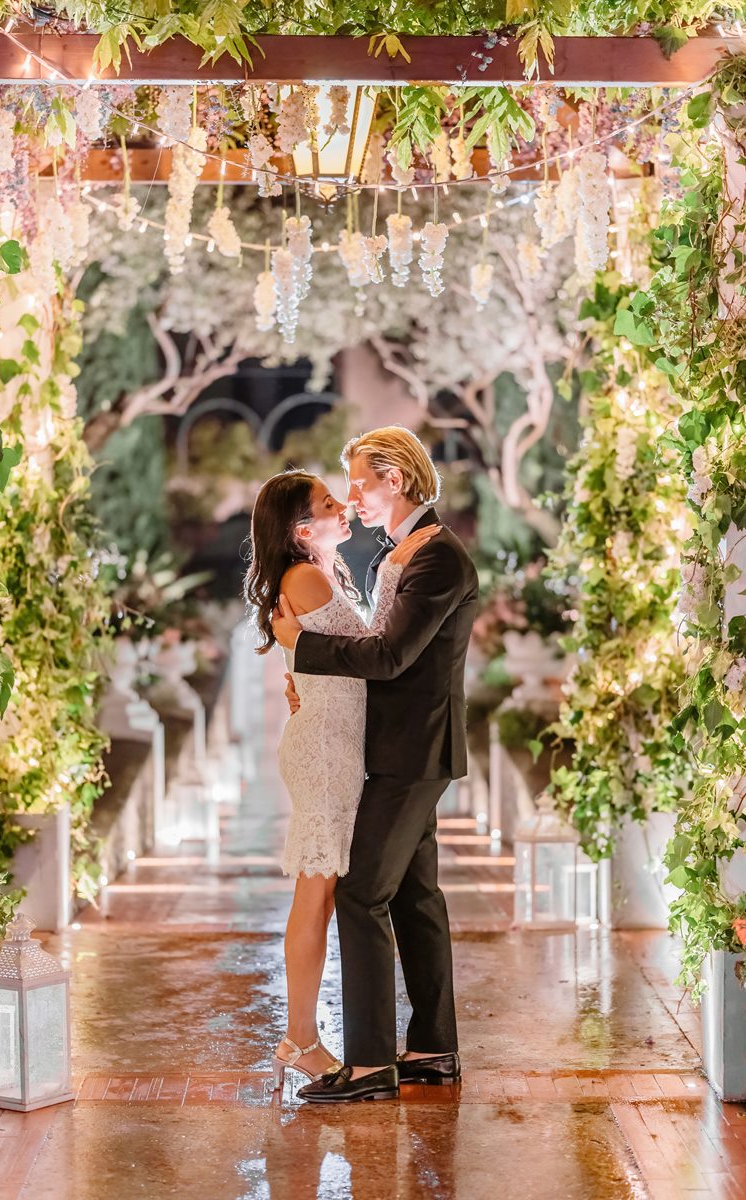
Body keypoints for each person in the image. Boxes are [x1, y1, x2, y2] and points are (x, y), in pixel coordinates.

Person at [272, 426, 479, 1104]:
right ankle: (432, 1048)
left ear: (396, 478)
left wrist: (301, 648)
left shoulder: (437, 556)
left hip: (413, 749)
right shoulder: (410, 549)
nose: (352, 494)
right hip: (395, 747)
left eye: (358, 480)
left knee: (362, 894)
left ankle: (367, 1064)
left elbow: (391, 657)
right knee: (416, 896)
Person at [243, 468, 439, 1093]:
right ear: (304, 528)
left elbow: (332, 656)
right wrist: (395, 567)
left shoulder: (322, 574)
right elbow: (376, 649)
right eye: (330, 502)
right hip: (326, 751)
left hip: (334, 743)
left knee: (323, 891)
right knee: (317, 893)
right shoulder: (305, 577)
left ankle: (302, 1037)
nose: (343, 506)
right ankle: (300, 1040)